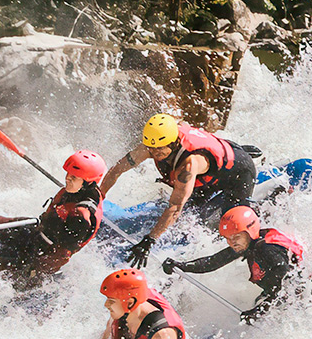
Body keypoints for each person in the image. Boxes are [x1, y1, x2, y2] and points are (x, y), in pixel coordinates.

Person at [98, 114, 257, 269]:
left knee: (233, 226)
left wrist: (149, 240)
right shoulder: (150, 146)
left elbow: (174, 206)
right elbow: (116, 170)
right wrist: (98, 198)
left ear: (174, 143)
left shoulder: (188, 165)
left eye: (160, 149)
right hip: (207, 173)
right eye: (152, 149)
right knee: (190, 214)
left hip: (237, 174)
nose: (155, 153)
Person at [0, 150, 106, 285]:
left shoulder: (81, 216)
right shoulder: (78, 189)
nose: (67, 179)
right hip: (37, 231)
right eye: (68, 174)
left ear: (88, 182)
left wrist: (34, 271)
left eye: (73, 177)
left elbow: (62, 254)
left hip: (44, 250)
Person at [162, 206, 304, 324]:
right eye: (228, 238)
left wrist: (260, 311)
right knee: (259, 304)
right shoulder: (247, 244)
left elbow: (284, 280)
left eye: (236, 237)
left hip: (301, 294)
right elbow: (213, 262)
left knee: (265, 310)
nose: (232, 243)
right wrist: (181, 266)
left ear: (249, 232)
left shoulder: (267, 249)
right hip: (282, 294)